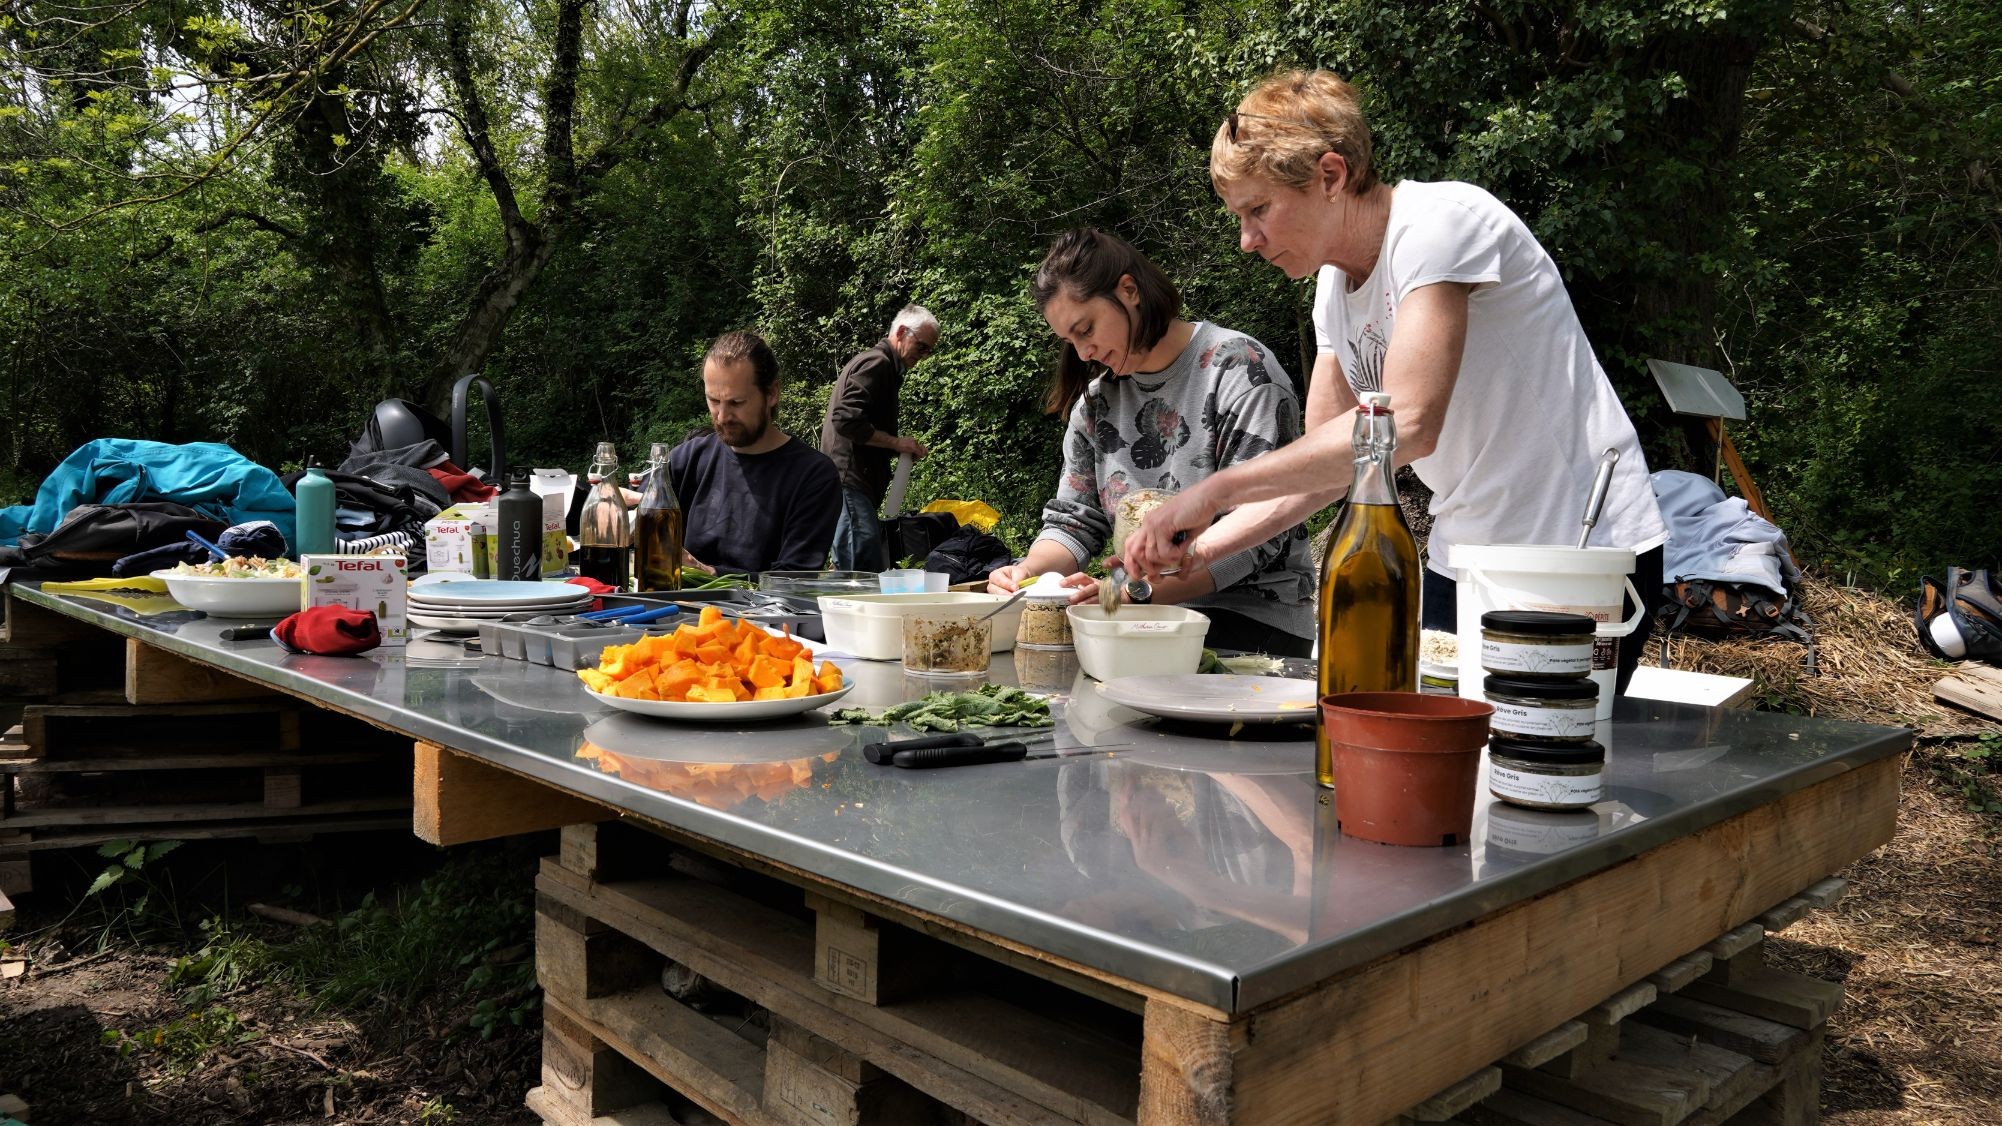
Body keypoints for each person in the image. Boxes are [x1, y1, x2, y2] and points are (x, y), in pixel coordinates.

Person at [1125, 70, 1669, 690]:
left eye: (1258, 210)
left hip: (1574, 552)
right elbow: (1329, 467)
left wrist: (1215, 490)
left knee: (1531, 768)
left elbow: (1407, 425)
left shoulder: (1439, 223)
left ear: (1331, 176)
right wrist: (1192, 553)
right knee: (1424, 760)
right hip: (1464, 551)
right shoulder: (1331, 292)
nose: (1248, 241)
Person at [987, 228, 1317, 656]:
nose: (1084, 353)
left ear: (1129, 290)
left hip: (1248, 619)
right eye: (1070, 341)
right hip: (1138, 614)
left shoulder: (1239, 370)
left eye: (1086, 329)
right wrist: (1028, 573)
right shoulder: (1096, 403)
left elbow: (1261, 529)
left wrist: (1130, 593)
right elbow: (1075, 521)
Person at [667, 331, 841, 575]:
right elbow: (637, 534)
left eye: (736, 403)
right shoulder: (685, 461)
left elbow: (794, 578)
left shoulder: (813, 476)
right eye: (713, 401)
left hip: (761, 613)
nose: (722, 416)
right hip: (675, 610)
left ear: (771, 394)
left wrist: (707, 573)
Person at [819, 305, 939, 571]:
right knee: (860, 565)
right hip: (848, 478)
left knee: (859, 563)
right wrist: (896, 443)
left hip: (853, 480)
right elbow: (846, 419)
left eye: (930, 350)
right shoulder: (878, 363)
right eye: (922, 347)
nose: (925, 356)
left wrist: (900, 447)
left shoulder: (884, 367)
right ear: (901, 332)